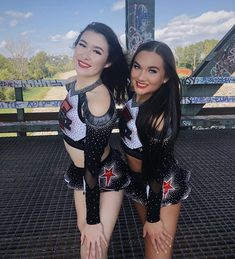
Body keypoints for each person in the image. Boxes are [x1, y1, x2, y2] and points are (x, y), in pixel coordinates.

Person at [58, 22, 130, 259]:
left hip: (102, 173)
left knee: (93, 246)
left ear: (107, 62)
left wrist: (92, 220)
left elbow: (92, 161)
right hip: (83, 172)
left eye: (97, 51)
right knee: (86, 234)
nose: (85, 55)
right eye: (82, 45)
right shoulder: (76, 82)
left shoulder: (97, 100)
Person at [119, 40, 191, 259]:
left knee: (157, 252)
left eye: (152, 70)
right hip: (140, 182)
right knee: (151, 241)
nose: (141, 76)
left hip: (160, 187)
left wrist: (153, 218)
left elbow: (157, 172)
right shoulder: (135, 99)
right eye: (137, 66)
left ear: (166, 77)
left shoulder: (159, 119)